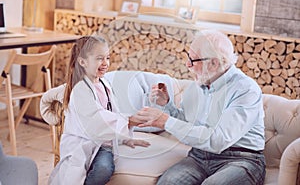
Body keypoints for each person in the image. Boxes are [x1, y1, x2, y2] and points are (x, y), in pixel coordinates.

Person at [133, 29, 266, 185]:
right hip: (199, 156)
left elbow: (217, 140)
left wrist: (165, 121)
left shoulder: (245, 89)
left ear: (214, 63)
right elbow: (188, 123)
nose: (187, 64)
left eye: (193, 60)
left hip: (241, 159)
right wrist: (167, 105)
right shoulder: (199, 84)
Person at [49, 36, 150, 185]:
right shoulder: (80, 89)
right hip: (82, 143)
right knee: (90, 171)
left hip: (102, 143)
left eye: (107, 58)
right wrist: (129, 121)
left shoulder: (104, 84)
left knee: (104, 167)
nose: (105, 63)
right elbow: (97, 117)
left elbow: (112, 113)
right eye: (99, 58)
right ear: (82, 62)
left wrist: (125, 137)